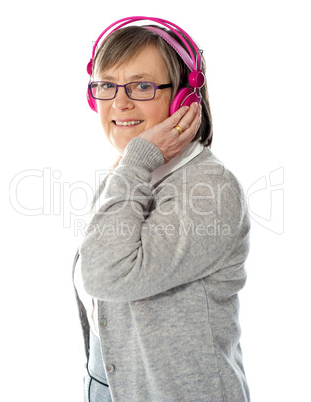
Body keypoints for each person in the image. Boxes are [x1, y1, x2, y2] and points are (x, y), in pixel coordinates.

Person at [73, 16, 251, 402]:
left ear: (185, 96)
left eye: (142, 85)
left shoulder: (210, 189)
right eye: (106, 85)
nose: (119, 103)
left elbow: (104, 274)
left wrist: (136, 161)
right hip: (112, 386)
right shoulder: (128, 175)